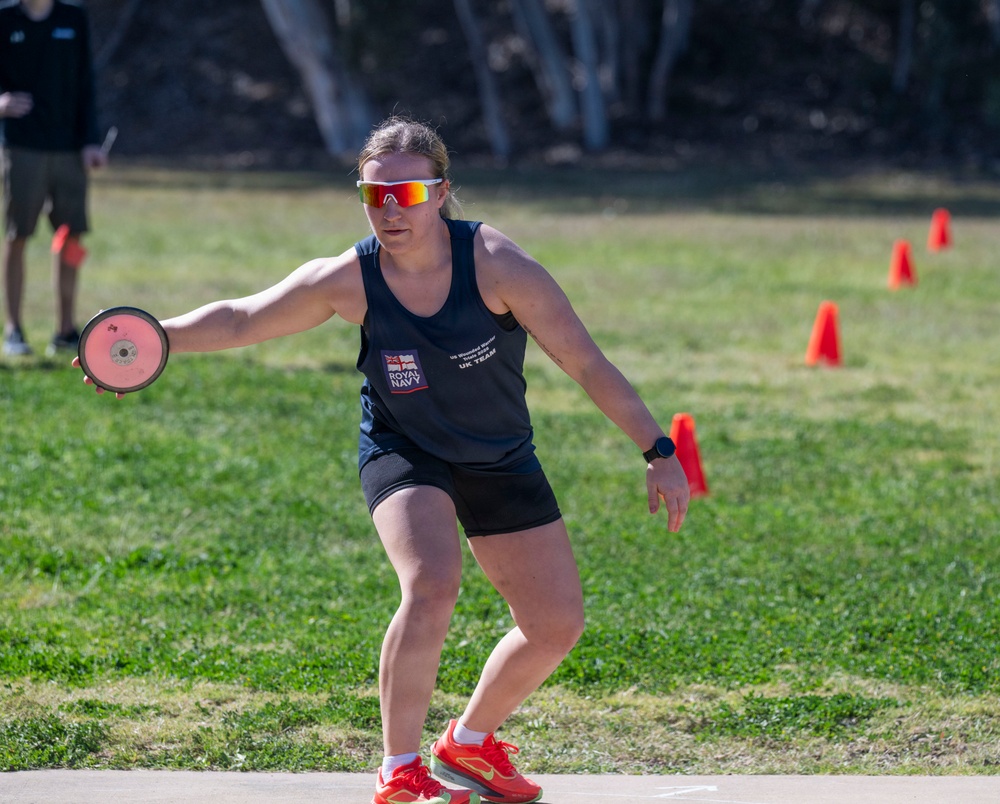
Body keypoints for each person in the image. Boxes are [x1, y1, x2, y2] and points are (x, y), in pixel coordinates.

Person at [73, 116, 690, 804]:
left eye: (409, 195)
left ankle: (471, 743)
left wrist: (657, 449)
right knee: (431, 583)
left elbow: (585, 361)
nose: (392, 211)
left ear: (441, 191)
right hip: (406, 450)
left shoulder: (496, 264)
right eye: (376, 197)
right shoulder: (352, 277)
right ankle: (400, 766)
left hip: (498, 454)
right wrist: (149, 342)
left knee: (556, 624)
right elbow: (245, 318)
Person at [1, 0, 107, 357]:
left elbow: (85, 81)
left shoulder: (73, 19)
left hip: (70, 147)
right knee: (19, 234)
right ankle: (14, 328)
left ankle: (66, 329)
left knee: (71, 234)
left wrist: (91, 140)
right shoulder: (5, 19)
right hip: (22, 146)